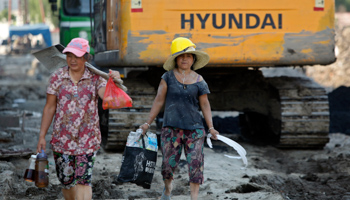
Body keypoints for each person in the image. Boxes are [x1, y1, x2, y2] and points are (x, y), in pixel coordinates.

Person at [36, 38, 121, 200]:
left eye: (77, 56)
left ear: (86, 57)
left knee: (83, 182)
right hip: (62, 141)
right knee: (67, 183)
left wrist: (113, 82)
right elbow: (50, 107)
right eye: (69, 55)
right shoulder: (57, 77)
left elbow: (107, 97)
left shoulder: (96, 78)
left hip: (87, 140)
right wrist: (42, 135)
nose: (72, 60)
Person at [139, 37, 220, 200]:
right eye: (182, 56)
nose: (185, 59)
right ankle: (167, 190)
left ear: (193, 59)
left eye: (189, 56)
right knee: (168, 166)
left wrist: (211, 127)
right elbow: (159, 100)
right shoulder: (167, 77)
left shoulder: (200, 81)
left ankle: (194, 198)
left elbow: (205, 105)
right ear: (176, 59)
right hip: (171, 129)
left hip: (195, 130)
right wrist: (147, 122)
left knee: (196, 165)